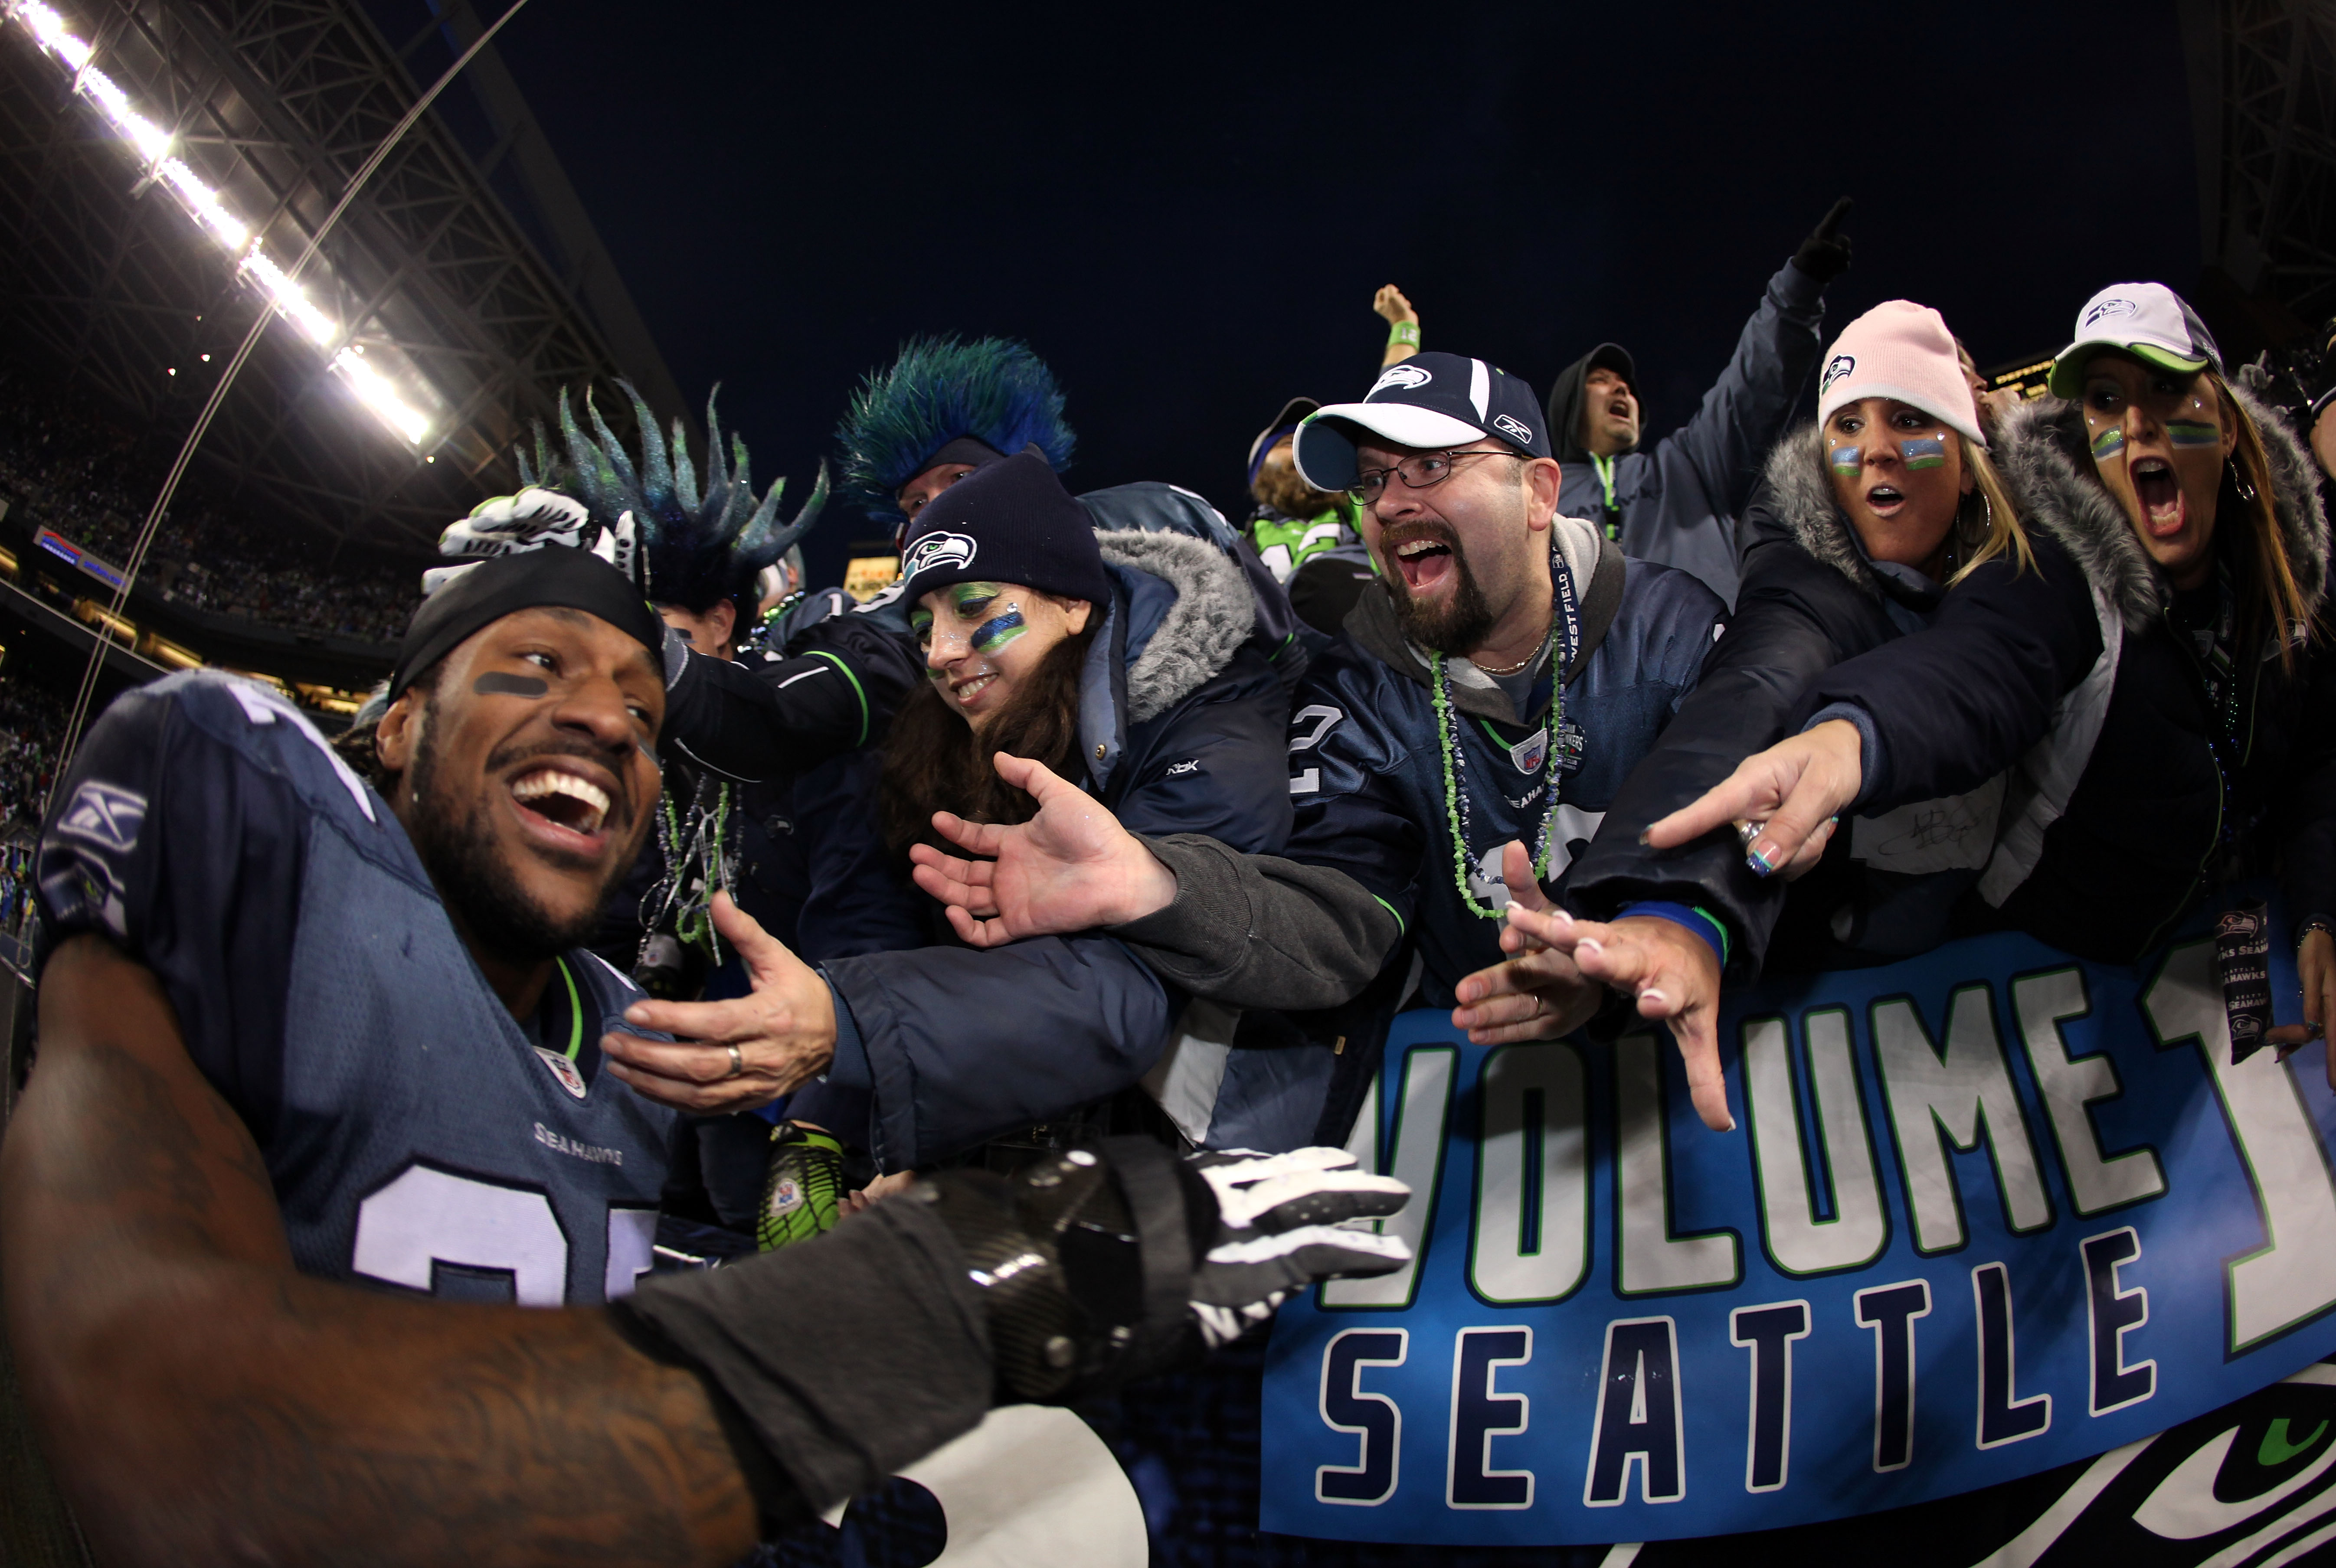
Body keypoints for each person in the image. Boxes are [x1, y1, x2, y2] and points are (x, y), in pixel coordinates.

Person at [0, 537, 1410, 1563]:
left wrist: (877, 1219)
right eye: (535, 665)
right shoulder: (261, 832)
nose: (603, 719)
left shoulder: (641, 1037)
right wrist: (943, 1291)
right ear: (400, 719)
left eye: (641, 706)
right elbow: (191, 1452)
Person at [906, 353, 1729, 1138]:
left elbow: (1758, 833)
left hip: (1721, 1084)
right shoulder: (1357, 689)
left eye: (1430, 467)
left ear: (1539, 489)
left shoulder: (1672, 629)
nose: (1391, 502)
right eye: (1373, 480)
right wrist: (1159, 885)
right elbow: (1338, 916)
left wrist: (1672, 927)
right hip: (1472, 1102)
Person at [1603, 283, 2336, 1078]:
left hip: (2183, 965)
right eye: (2104, 400)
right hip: (2006, 1004)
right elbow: (1953, 666)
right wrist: (1842, 746)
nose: (2136, 425)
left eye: (2165, 389)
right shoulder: (2042, 575)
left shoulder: (2284, 582)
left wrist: (2319, 906)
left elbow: (2318, 756)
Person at [1476, 303, 2090, 1094]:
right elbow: (1754, 688)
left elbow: (1993, 654)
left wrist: (1850, 738)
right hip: (1845, 958)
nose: (1873, 449)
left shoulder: (2054, 539)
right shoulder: (1804, 552)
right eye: (1846, 425)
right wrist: (1667, 911)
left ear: (1969, 453)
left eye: (1909, 417)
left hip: (2055, 963)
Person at [657, 446, 1297, 1168]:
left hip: (1227, 1161)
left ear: (1072, 602)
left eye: (975, 609)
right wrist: (843, 1124)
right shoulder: (939, 736)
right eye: (926, 622)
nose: (940, 652)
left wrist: (846, 1025)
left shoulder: (1210, 718)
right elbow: (896, 934)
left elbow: (1126, 993)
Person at [1541, 197, 1854, 604]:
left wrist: (1797, 292)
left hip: (1711, 661)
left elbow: (1750, 391)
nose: (1623, 390)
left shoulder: (1688, 465)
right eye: (1601, 381)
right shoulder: (1535, 494)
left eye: (1629, 388)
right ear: (1567, 404)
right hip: (1581, 668)